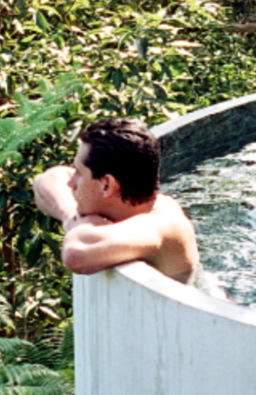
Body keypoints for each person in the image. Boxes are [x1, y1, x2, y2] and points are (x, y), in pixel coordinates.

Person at [32, 116, 200, 284]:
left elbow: (75, 252)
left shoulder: (163, 225)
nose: (71, 183)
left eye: (79, 173)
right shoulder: (135, 205)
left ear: (107, 185)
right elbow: (46, 180)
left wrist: (84, 224)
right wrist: (70, 215)